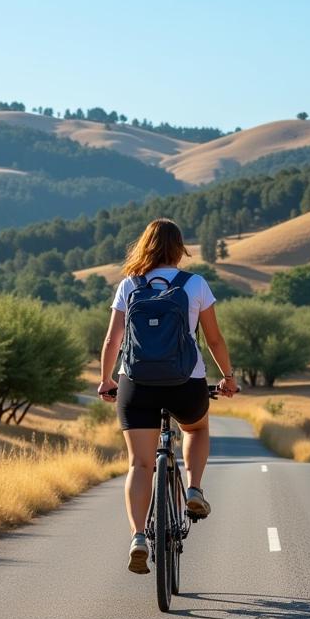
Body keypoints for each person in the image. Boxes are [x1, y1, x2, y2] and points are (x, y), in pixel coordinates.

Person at [98, 218, 238, 574]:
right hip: (185, 382)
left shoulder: (130, 285)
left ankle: (139, 537)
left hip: (136, 383)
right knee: (195, 429)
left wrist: (105, 381)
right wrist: (228, 378)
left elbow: (112, 341)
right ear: (179, 248)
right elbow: (214, 340)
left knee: (140, 465)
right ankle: (193, 489)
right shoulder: (196, 285)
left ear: (144, 245)